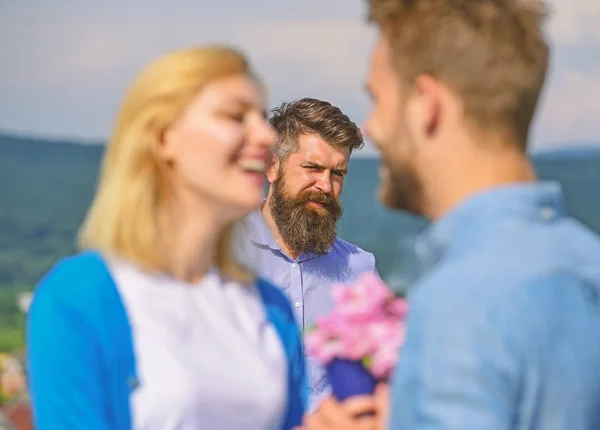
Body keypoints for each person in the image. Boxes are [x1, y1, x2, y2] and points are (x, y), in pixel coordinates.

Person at [300, 0, 600, 428]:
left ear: (427, 104)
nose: (372, 127)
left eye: (378, 100)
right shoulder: (587, 260)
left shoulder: (458, 303)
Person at [26, 46, 307, 430]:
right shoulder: (82, 296)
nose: (264, 136)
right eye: (235, 115)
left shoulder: (270, 309)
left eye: (262, 117)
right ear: (163, 138)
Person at [237, 97, 378, 410]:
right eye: (312, 168)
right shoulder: (224, 256)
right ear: (272, 166)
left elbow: (377, 376)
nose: (325, 185)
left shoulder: (360, 269)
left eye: (338, 173)